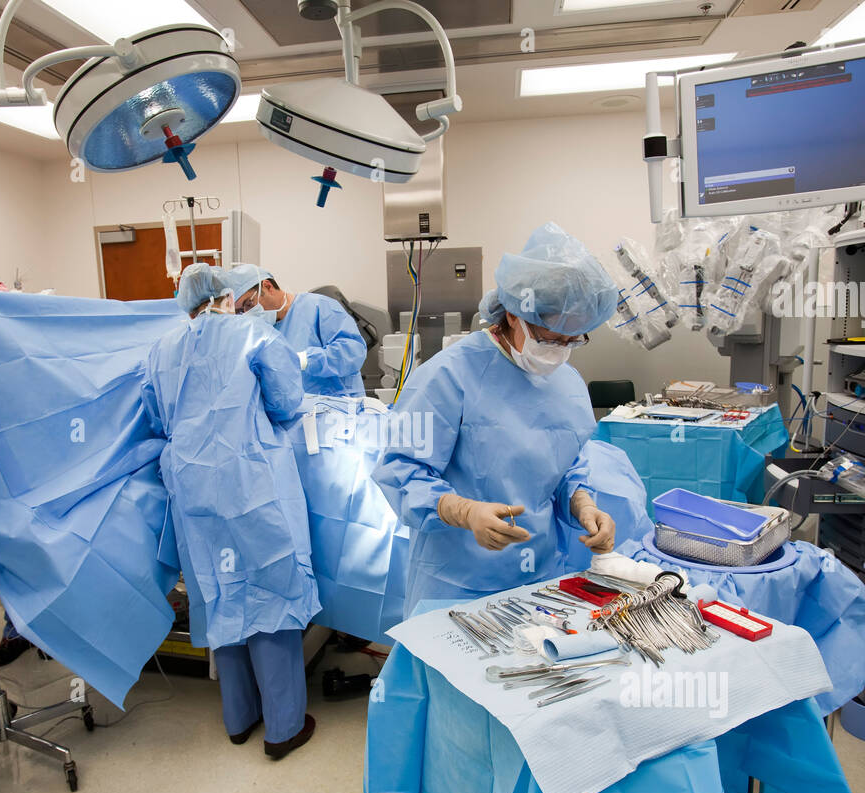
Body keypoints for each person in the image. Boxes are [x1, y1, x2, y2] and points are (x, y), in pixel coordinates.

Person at [372, 222, 621, 616]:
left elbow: (567, 462)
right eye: (549, 337)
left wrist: (583, 504)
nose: (559, 350)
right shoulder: (448, 376)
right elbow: (401, 470)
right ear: (512, 315)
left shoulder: (566, 381)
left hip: (538, 575)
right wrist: (466, 512)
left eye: (572, 340)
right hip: (457, 582)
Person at [142, 263, 319, 758]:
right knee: (272, 587)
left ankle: (239, 717)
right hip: (251, 478)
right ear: (226, 296)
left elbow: (156, 416)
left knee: (219, 590)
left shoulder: (161, 349)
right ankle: (283, 728)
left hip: (191, 485)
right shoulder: (252, 334)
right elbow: (286, 401)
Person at [226, 263, 367, 398]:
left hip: (339, 413)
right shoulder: (261, 332)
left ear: (268, 286)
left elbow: (353, 353)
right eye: (240, 311)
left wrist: (304, 359)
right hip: (296, 418)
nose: (247, 313)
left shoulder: (318, 307)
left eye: (249, 304)